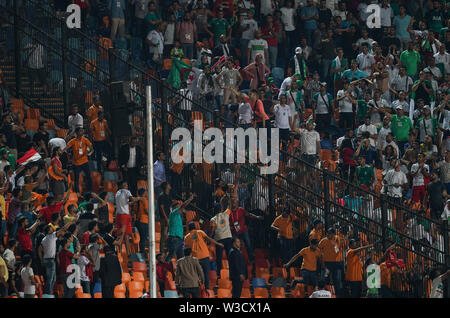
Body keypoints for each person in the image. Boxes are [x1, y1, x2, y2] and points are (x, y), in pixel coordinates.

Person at [184, 221, 223, 290]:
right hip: (204, 256)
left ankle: (197, 289)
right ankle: (206, 289)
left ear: (188, 228)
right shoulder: (200, 232)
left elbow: (187, 248)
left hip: (195, 258)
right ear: (195, 227)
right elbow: (209, 239)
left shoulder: (186, 237)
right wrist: (218, 244)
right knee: (205, 274)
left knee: (196, 274)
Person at [115, 181, 143, 255]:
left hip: (118, 215)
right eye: (126, 185)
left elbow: (125, 203)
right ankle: (128, 253)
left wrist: (131, 203)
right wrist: (139, 198)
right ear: (124, 186)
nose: (127, 186)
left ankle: (120, 253)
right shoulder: (126, 191)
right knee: (125, 235)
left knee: (122, 234)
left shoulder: (117, 193)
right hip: (125, 215)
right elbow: (133, 199)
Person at [165, 194, 195, 262]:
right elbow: (183, 206)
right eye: (178, 207)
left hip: (178, 239)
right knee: (171, 255)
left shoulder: (177, 217)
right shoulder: (173, 213)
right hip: (174, 238)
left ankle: (180, 272)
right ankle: (163, 269)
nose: (181, 209)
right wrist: (189, 199)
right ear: (174, 208)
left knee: (181, 259)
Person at [64, 127, 93, 194]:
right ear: (77, 133)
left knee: (88, 176)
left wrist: (89, 153)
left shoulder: (85, 140)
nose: (82, 132)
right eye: (80, 131)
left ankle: (90, 191)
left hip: (85, 161)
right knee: (76, 178)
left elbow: (91, 148)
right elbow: (67, 147)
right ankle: (77, 192)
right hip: (76, 163)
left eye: (82, 131)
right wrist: (62, 151)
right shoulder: (73, 141)